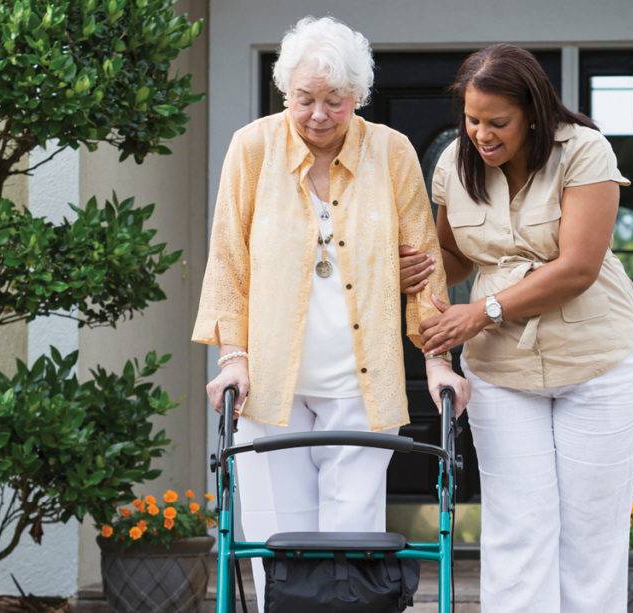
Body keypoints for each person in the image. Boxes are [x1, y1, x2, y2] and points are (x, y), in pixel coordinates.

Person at [192, 16, 469, 610]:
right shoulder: (253, 148)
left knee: (352, 552)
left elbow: (424, 267)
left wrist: (437, 361)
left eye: (335, 101)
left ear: (359, 97)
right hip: (269, 387)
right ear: (284, 93)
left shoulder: (391, 153)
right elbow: (228, 261)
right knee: (276, 548)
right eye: (304, 99)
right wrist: (232, 357)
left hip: (359, 388)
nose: (318, 114)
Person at [402, 44, 633, 611]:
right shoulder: (454, 164)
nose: (481, 134)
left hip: (599, 361)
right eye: (470, 119)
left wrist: (481, 312)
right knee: (518, 528)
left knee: (591, 535)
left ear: (533, 113)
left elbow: (578, 268)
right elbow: (455, 257)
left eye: (497, 123)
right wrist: (420, 268)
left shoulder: (583, 151)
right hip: (502, 368)